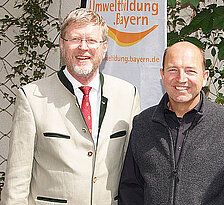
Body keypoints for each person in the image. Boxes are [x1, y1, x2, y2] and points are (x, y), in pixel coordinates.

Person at [0, 8, 140, 204]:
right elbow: (17, 179)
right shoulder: (32, 98)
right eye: (75, 39)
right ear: (62, 45)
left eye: (91, 40)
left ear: (104, 47)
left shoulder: (128, 95)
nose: (83, 47)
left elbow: (132, 173)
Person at [118, 41, 224, 205]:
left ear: (204, 77)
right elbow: (131, 189)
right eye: (173, 70)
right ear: (162, 75)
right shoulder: (143, 123)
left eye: (190, 71)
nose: (181, 78)